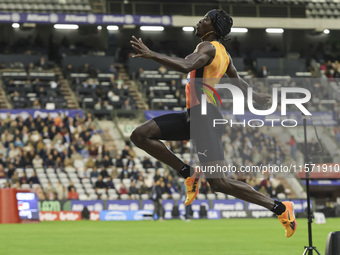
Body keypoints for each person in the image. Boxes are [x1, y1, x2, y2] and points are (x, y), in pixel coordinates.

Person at [130, 9, 296, 237]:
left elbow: (187, 66)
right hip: (193, 115)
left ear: (214, 28)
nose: (200, 21)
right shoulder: (224, 55)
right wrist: (255, 96)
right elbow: (237, 81)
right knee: (140, 135)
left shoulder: (207, 48)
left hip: (205, 116)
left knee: (219, 182)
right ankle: (188, 172)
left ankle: (280, 208)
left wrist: (152, 54)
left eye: (206, 19)